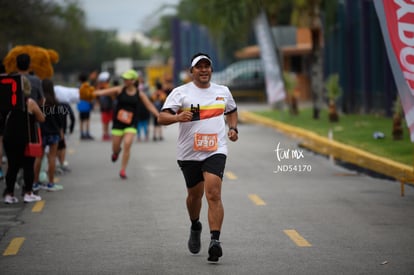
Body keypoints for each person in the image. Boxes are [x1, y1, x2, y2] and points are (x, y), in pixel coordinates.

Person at [158, 53, 239, 262]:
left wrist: (233, 128)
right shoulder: (180, 92)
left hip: (215, 149)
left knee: (213, 193)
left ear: (211, 70)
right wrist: (177, 117)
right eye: (199, 67)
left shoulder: (223, 91)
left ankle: (215, 241)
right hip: (189, 153)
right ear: (191, 71)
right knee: (195, 196)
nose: (204, 70)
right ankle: (195, 225)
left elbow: (232, 110)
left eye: (207, 66)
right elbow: (161, 117)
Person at [93, 69, 160, 179]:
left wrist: (158, 115)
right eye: (124, 79)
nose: (125, 80)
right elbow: (102, 92)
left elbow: (149, 106)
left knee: (127, 144)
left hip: (131, 123)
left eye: (127, 79)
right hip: (118, 123)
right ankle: (116, 152)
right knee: (115, 147)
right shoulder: (119, 90)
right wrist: (89, 93)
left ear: (133, 81)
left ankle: (123, 170)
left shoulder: (140, 94)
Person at [3, 75, 45, 203]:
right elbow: (41, 118)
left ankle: (9, 194)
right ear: (27, 87)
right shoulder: (30, 102)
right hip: (26, 138)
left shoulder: (6, 102)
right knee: (28, 166)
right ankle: (28, 192)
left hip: (9, 138)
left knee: (12, 167)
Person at [33, 79, 64, 192]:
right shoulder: (56, 102)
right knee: (52, 157)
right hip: (54, 133)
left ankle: (35, 183)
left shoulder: (39, 102)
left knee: (38, 158)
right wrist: (61, 132)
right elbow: (61, 119)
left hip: (41, 133)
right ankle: (51, 183)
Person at [77, 72, 95, 140]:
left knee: (81, 120)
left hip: (80, 104)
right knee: (87, 120)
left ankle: (82, 134)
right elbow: (91, 94)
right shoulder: (87, 86)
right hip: (87, 104)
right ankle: (87, 133)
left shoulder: (79, 86)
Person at [96, 71, 113, 141]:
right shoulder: (99, 88)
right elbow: (97, 98)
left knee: (109, 122)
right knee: (105, 122)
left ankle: (108, 134)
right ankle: (105, 134)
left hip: (110, 107)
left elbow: (112, 97)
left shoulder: (109, 87)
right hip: (104, 108)